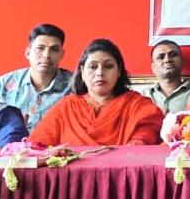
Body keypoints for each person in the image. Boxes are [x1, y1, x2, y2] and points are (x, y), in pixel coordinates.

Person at [30, 39, 163, 146]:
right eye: (93, 67)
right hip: (72, 172)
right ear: (82, 72)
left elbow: (143, 142)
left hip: (123, 170)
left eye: (108, 66)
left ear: (119, 71)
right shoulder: (66, 107)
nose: (100, 73)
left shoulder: (137, 106)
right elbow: (37, 146)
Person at [0, 23, 73, 131]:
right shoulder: (5, 83)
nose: (46, 55)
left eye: (54, 49)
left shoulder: (74, 86)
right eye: (40, 48)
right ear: (28, 53)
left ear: (62, 54)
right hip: (13, 141)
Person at [141, 39, 190, 113]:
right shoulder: (144, 95)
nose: (167, 60)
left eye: (173, 55)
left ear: (182, 61)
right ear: (153, 67)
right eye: (160, 57)